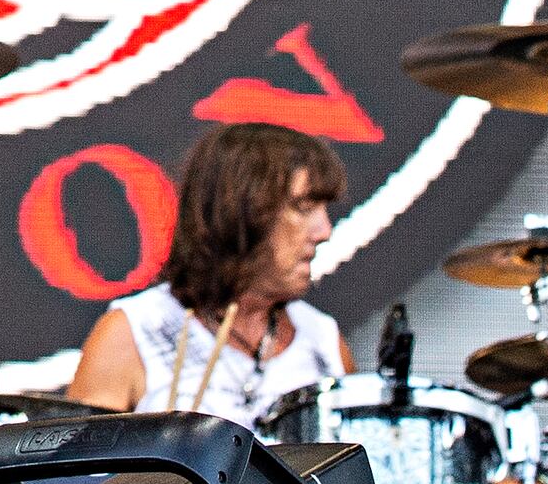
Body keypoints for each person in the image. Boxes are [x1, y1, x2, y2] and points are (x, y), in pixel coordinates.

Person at [66, 122, 351, 426]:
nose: (324, 231)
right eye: (303, 208)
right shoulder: (134, 332)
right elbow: (80, 471)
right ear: (241, 211)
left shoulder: (323, 341)